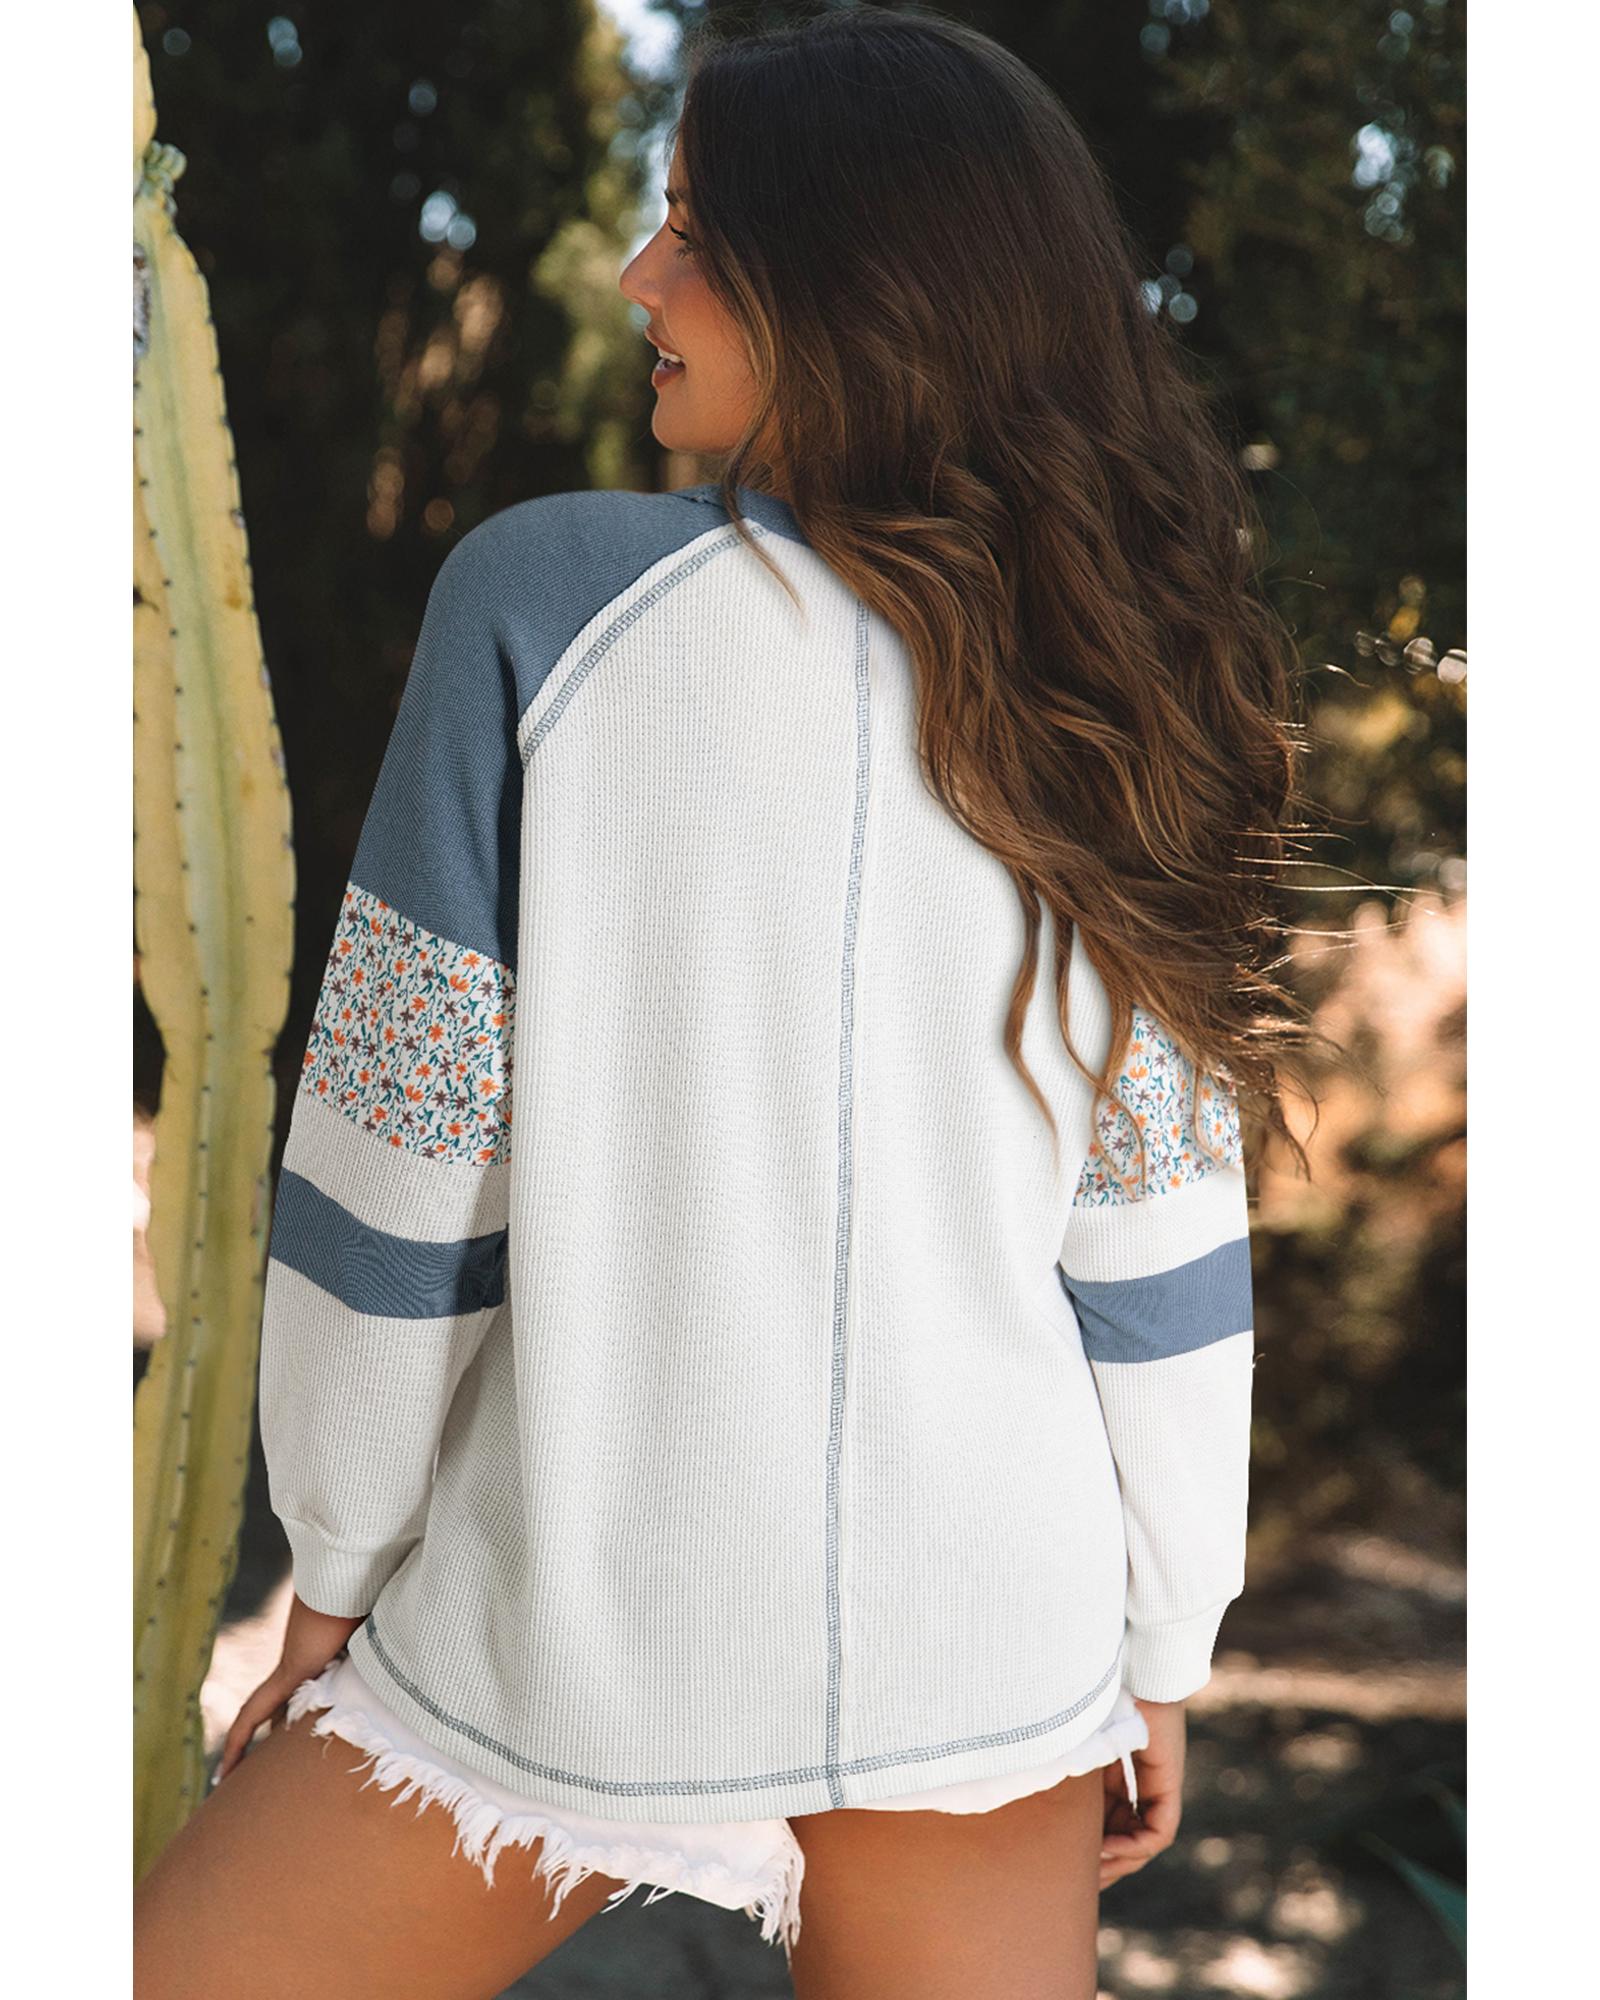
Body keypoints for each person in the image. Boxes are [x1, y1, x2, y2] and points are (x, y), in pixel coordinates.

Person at [134, 8, 1313, 1996]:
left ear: (851, 277)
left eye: (693, 229)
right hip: (985, 1676)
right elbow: (1158, 1247)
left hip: (560, 1649)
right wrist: (1162, 1646)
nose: (636, 276)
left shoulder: (546, 602)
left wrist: (333, 1567)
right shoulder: (1108, 682)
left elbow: (402, 1154)